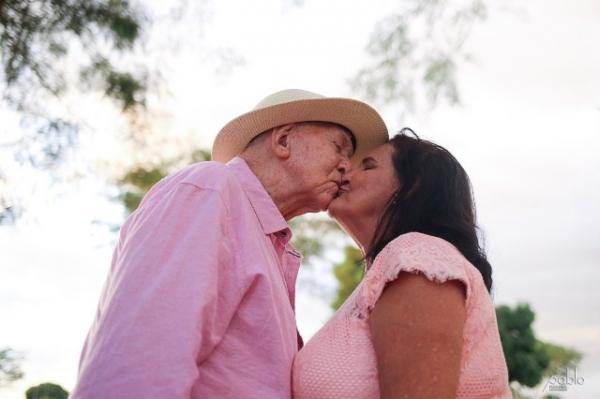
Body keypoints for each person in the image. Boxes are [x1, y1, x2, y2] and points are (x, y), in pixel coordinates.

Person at [70, 89, 388, 399]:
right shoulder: (210, 189)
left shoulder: (266, 237)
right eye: (339, 147)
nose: (347, 166)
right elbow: (141, 355)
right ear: (283, 140)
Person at [293, 129, 511, 398]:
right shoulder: (391, 269)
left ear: (413, 186)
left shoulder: (418, 256)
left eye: (368, 166)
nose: (345, 174)